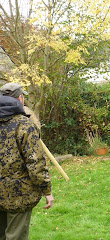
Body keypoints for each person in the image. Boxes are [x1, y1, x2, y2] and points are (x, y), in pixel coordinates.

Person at [0, 82, 54, 239]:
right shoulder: (23, 125)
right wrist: (47, 190)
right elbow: (35, 163)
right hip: (18, 194)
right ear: (20, 98)